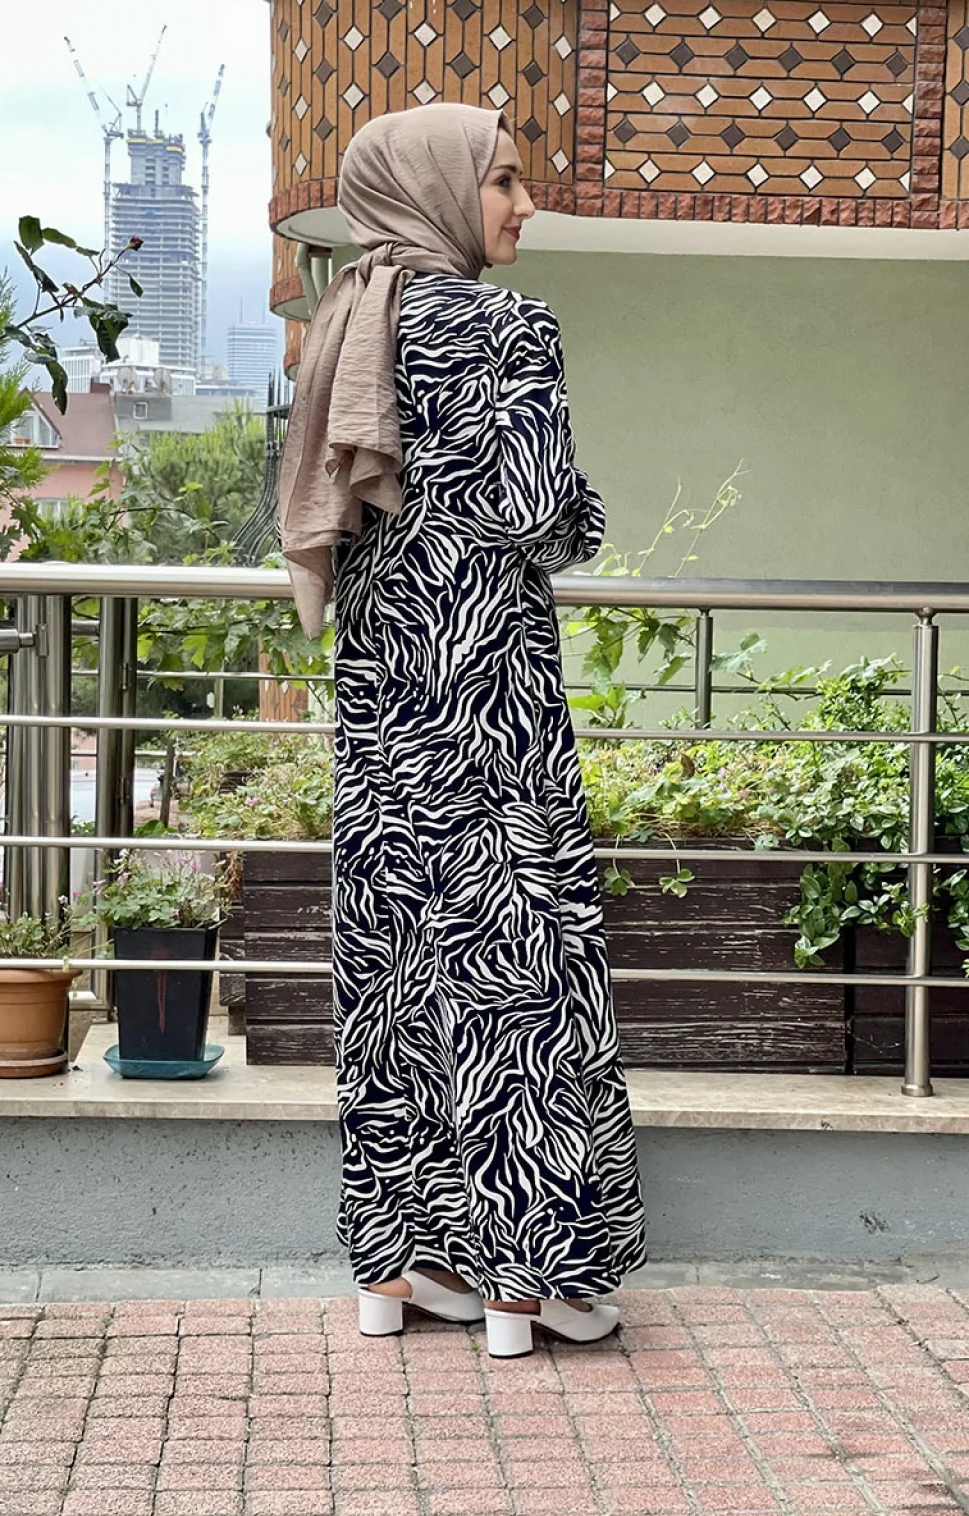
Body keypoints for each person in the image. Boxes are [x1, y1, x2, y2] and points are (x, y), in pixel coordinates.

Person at [278, 103, 645, 1359]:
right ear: (436, 190)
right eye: (502, 182)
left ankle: (402, 1265)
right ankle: (527, 1285)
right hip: (488, 690)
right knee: (518, 966)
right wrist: (585, 510)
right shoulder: (505, 324)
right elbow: (542, 512)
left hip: (386, 690)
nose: (523, 205)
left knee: (398, 966)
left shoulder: (348, 322)